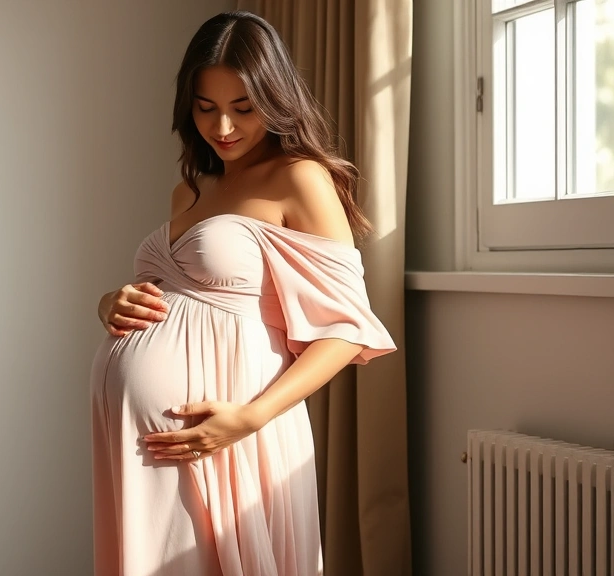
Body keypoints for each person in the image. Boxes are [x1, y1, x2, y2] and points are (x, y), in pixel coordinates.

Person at [88, 11, 397, 576]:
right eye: (206, 108)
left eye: (243, 109)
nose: (223, 127)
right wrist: (111, 302)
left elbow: (344, 329)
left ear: (276, 100)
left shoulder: (299, 178)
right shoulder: (190, 190)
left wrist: (249, 419)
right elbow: (174, 290)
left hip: (235, 435)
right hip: (145, 446)